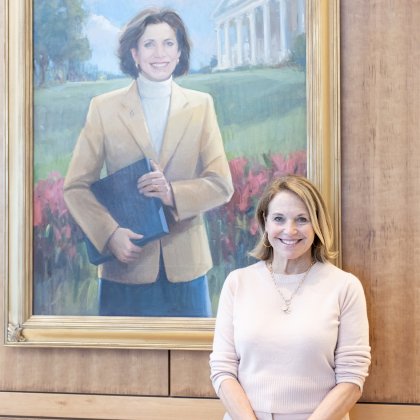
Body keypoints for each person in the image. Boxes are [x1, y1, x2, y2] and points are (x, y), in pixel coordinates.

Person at [63, 8, 233, 317]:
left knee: (189, 364)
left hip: (187, 270)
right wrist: (110, 234)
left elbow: (222, 185)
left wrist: (172, 193)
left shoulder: (201, 105)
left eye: (169, 43)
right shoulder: (103, 108)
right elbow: (75, 186)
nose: (160, 53)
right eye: (149, 44)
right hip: (124, 267)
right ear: (134, 53)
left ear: (180, 51)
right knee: (120, 366)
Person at [209, 175, 371, 420]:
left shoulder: (345, 287)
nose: (290, 230)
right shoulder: (237, 283)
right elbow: (223, 369)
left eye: (302, 219)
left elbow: (352, 378)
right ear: (265, 222)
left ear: (317, 225)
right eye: (279, 219)